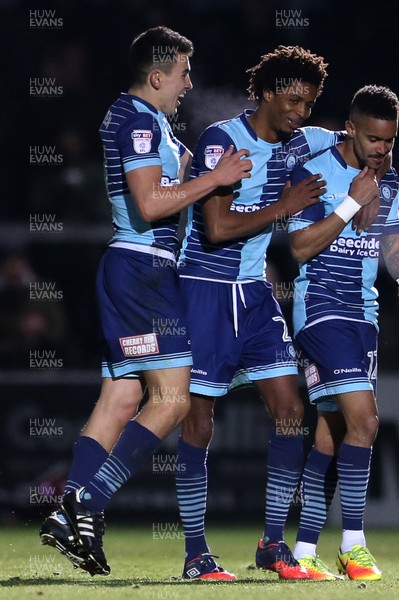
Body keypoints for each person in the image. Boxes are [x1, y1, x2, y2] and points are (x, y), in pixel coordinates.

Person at [38, 26, 252, 577]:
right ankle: (84, 502)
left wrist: (195, 164)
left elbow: (162, 180)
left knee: (120, 399)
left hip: (132, 271)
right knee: (174, 401)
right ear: (156, 76)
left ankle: (68, 518)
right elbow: (153, 203)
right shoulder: (137, 119)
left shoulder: (137, 118)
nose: (188, 83)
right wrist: (216, 179)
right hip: (143, 271)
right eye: (182, 73)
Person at [173, 45, 380, 582]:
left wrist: (375, 162)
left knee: (291, 409)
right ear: (265, 93)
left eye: (308, 104)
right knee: (198, 421)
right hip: (203, 289)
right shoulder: (222, 140)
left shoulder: (304, 141)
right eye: (292, 101)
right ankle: (197, 553)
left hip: (256, 294)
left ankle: (272, 543)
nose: (300, 113)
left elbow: (357, 140)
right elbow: (216, 230)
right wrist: (284, 209)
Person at [287, 85, 399, 581]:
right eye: (372, 140)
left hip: (364, 316)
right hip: (321, 310)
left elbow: (392, 242)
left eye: (389, 142)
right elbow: (299, 248)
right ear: (350, 129)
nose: (381, 151)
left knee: (332, 434)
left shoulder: (389, 180)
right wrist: (349, 202)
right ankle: (354, 546)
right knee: (366, 421)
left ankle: (302, 551)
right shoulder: (315, 172)